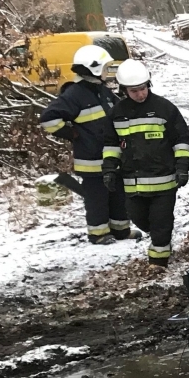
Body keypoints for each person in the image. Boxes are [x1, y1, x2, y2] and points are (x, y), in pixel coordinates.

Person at [38, 44, 131, 244]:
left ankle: (121, 230)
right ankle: (98, 234)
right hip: (91, 160)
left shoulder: (102, 91)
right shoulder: (74, 94)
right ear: (93, 68)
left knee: (118, 195)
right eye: (105, 68)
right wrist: (72, 133)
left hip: (112, 158)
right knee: (97, 199)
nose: (108, 72)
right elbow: (48, 118)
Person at [104, 60, 189, 268]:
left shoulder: (164, 109)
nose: (140, 94)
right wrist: (109, 169)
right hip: (132, 184)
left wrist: (182, 167)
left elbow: (181, 139)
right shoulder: (117, 113)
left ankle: (158, 263)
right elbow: (111, 144)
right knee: (141, 220)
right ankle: (160, 240)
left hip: (164, 183)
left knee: (161, 224)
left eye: (143, 89)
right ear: (124, 90)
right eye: (134, 91)